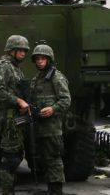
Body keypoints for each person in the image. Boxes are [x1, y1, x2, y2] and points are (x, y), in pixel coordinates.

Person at [0, 35, 30, 195]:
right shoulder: (4, 66)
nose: (23, 53)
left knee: (16, 156)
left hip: (16, 118)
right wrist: (18, 101)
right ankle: (7, 191)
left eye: (24, 50)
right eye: (20, 50)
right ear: (12, 51)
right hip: (9, 119)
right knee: (10, 159)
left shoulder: (16, 67)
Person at [29, 44, 70, 195]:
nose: (40, 61)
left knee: (54, 161)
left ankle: (56, 191)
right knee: (45, 162)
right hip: (40, 128)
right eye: (37, 59)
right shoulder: (37, 79)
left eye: (43, 58)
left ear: (49, 60)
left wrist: (53, 109)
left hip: (52, 128)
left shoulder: (56, 77)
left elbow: (66, 100)